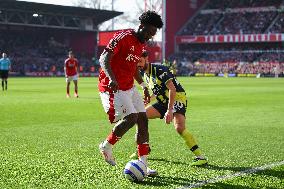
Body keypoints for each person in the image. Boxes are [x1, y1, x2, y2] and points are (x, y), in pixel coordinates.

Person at [98, 11, 163, 176]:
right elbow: (103, 58)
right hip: (113, 86)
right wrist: (112, 78)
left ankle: (143, 165)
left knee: (143, 120)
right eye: (148, 32)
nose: (149, 37)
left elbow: (133, 67)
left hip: (129, 86)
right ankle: (106, 145)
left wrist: (143, 85)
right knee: (132, 118)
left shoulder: (142, 44)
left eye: (152, 35)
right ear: (141, 26)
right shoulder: (123, 37)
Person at [134, 51, 208, 166]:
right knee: (140, 116)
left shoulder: (160, 70)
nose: (138, 64)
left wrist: (169, 110)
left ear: (146, 59)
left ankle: (200, 157)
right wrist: (150, 99)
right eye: (136, 62)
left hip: (177, 97)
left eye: (140, 61)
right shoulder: (145, 74)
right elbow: (157, 91)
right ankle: (143, 149)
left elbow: (172, 89)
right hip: (163, 101)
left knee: (179, 127)